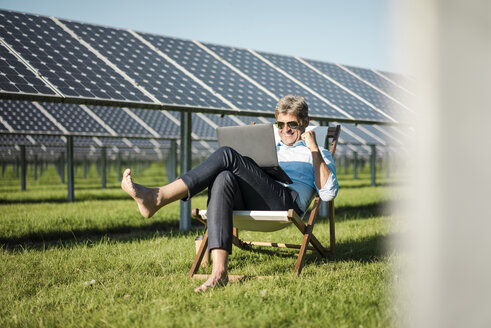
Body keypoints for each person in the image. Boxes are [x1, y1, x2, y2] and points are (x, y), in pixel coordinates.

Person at [121, 95, 338, 292]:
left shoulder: (318, 152)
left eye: (292, 124)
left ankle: (158, 197)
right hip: (258, 197)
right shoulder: (273, 146)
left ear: (305, 122)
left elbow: (328, 194)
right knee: (223, 176)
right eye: (280, 125)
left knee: (227, 155)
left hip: (286, 203)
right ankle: (219, 273)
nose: (285, 130)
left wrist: (314, 149)